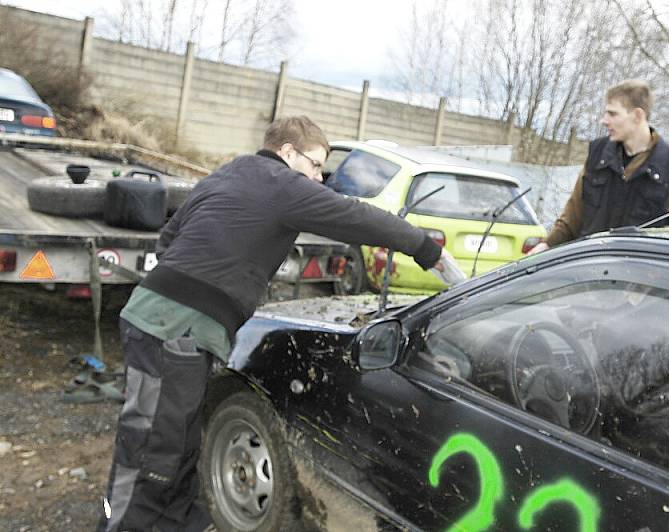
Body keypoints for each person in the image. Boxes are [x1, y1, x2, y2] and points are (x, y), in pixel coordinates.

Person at [98, 116, 454, 531]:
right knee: (153, 447)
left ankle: (176, 523)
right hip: (174, 329)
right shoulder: (283, 184)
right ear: (288, 153)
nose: (319, 178)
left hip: (166, 320)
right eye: (316, 165)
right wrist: (425, 249)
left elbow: (170, 236)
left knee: (180, 438)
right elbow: (355, 216)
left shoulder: (231, 172)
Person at [528, 79, 669, 254]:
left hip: (641, 278)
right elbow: (572, 217)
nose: (604, 121)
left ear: (637, 116)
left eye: (613, 114)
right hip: (588, 270)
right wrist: (546, 246)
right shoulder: (597, 156)